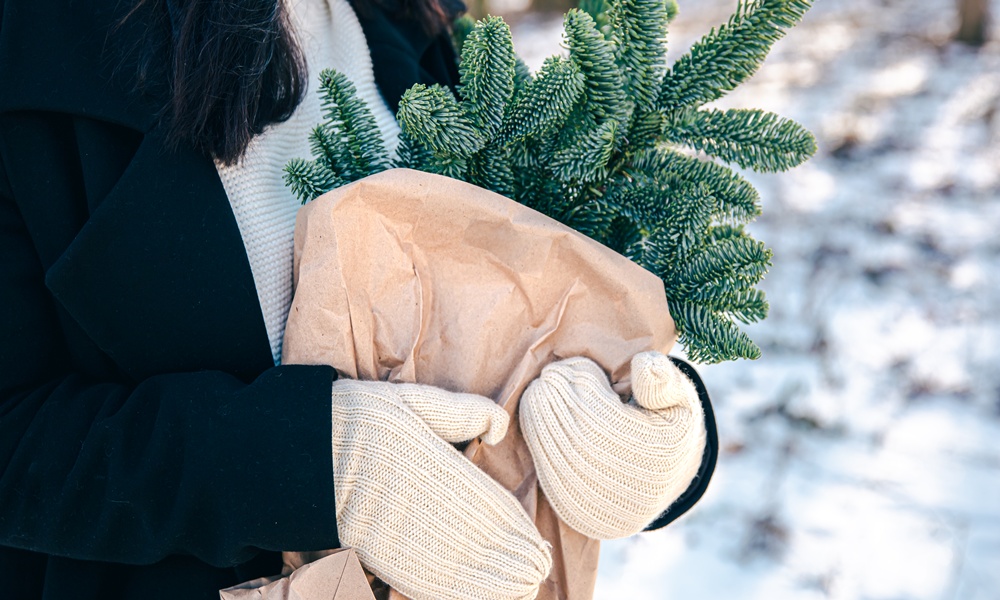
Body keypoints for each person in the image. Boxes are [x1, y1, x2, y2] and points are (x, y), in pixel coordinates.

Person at [0, 0, 718, 598]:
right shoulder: (34, 50)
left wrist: (652, 434)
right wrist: (315, 464)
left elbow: (543, 280)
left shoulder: (406, 25)